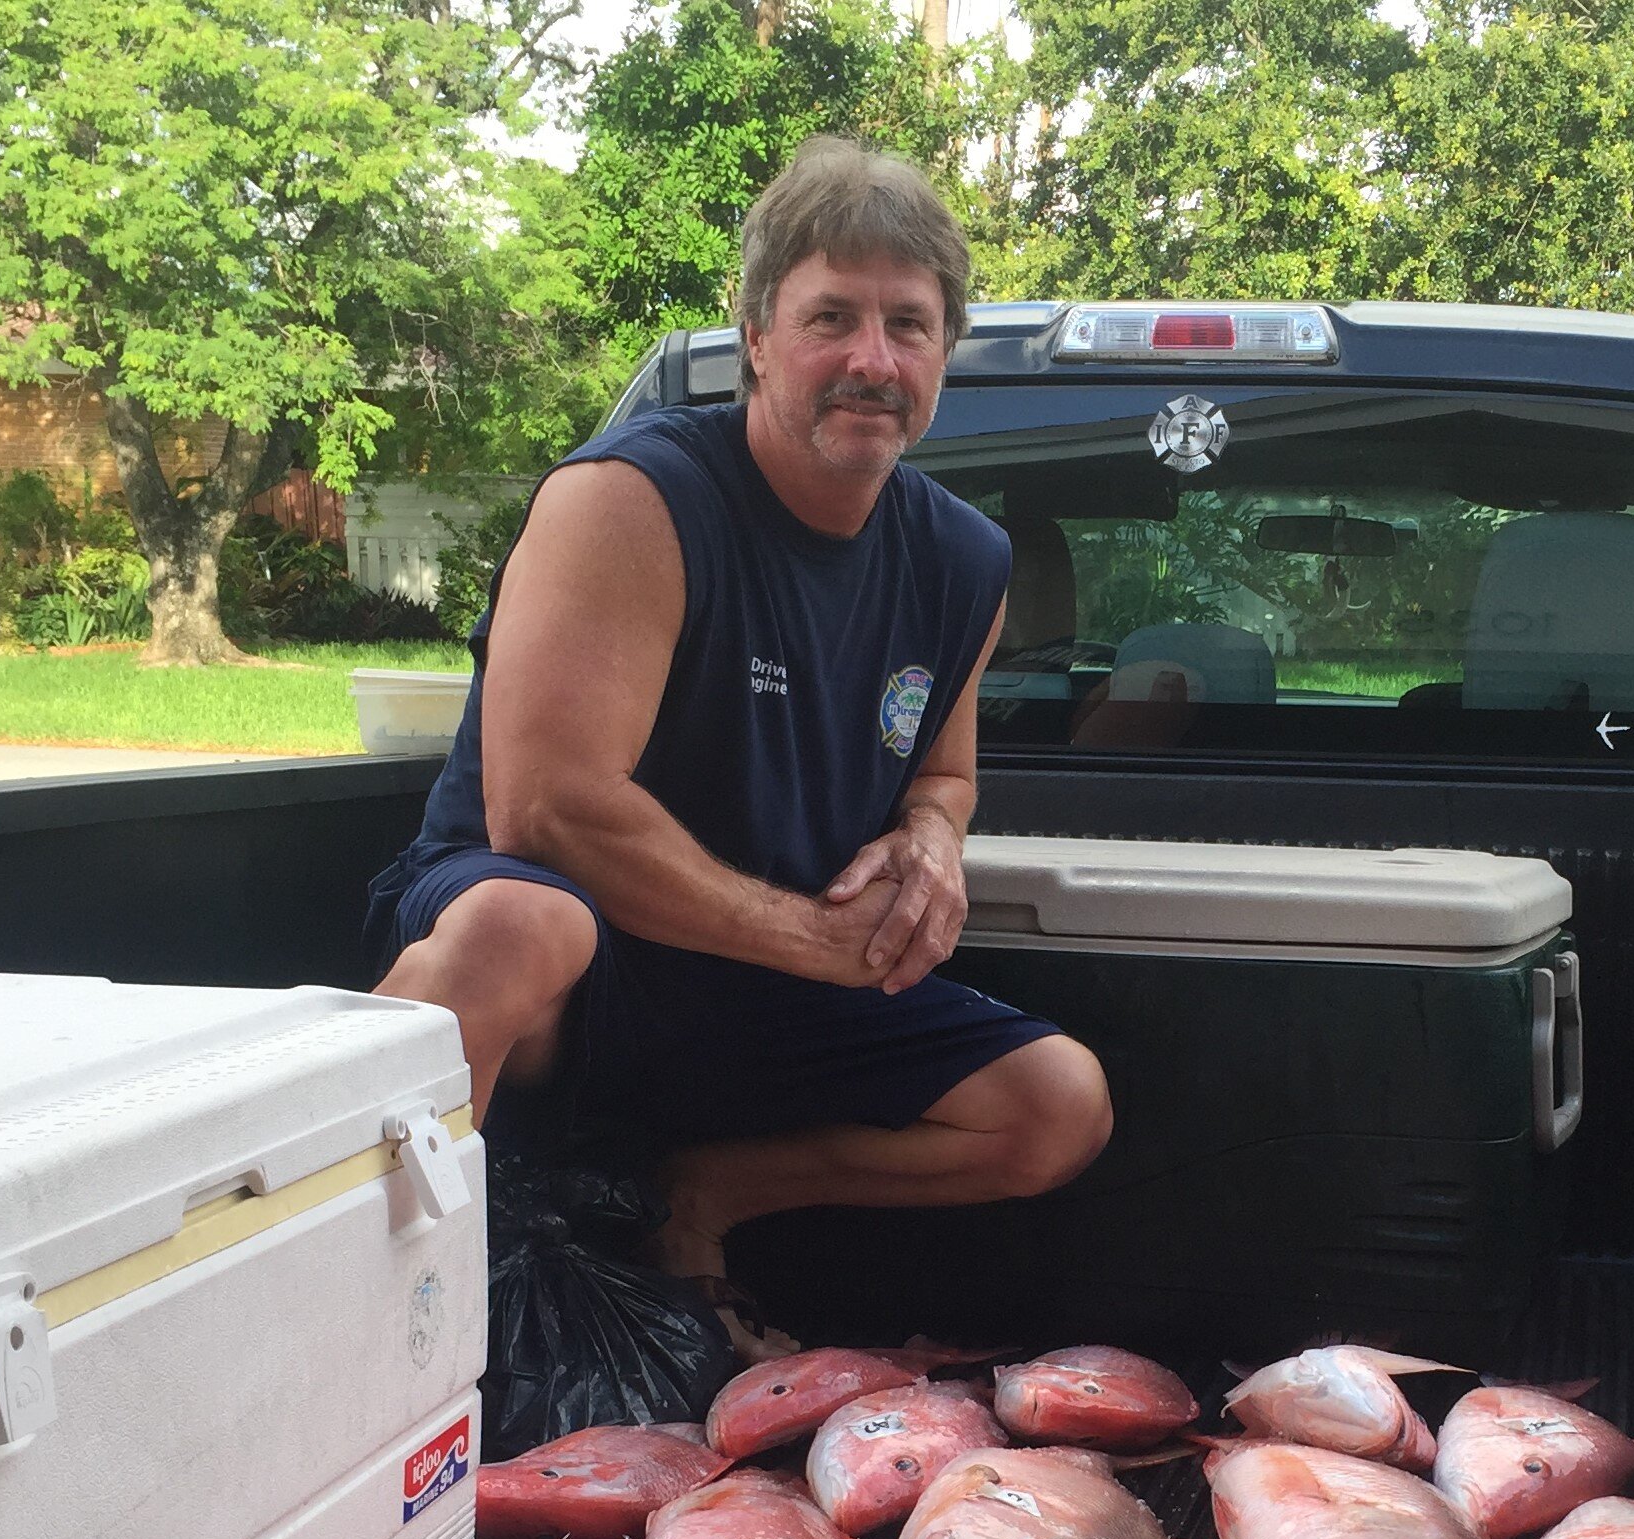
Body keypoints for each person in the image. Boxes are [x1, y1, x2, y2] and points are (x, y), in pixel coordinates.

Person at [368, 137, 1111, 1346]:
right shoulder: (633, 499)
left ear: (944, 354)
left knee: (1054, 1105)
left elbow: (945, 770)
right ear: (757, 335)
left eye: (908, 326)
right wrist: (816, 945)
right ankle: (373, 1305)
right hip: (582, 966)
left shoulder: (965, 558)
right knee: (520, 921)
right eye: (833, 317)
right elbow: (546, 810)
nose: (872, 360)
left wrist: (929, 839)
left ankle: (704, 1196)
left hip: (767, 987)